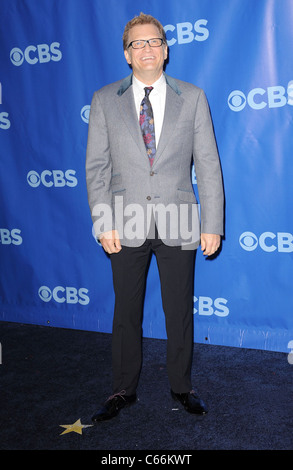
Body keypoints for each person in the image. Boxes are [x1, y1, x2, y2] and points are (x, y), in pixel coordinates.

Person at [86, 13, 224, 422]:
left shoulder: (194, 97)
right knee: (125, 311)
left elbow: (209, 164)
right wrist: (101, 221)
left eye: (153, 41)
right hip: (123, 221)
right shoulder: (103, 100)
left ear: (166, 50)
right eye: (137, 44)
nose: (146, 48)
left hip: (180, 220)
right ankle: (122, 390)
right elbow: (96, 167)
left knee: (178, 310)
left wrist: (212, 223)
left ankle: (182, 386)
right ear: (127, 55)